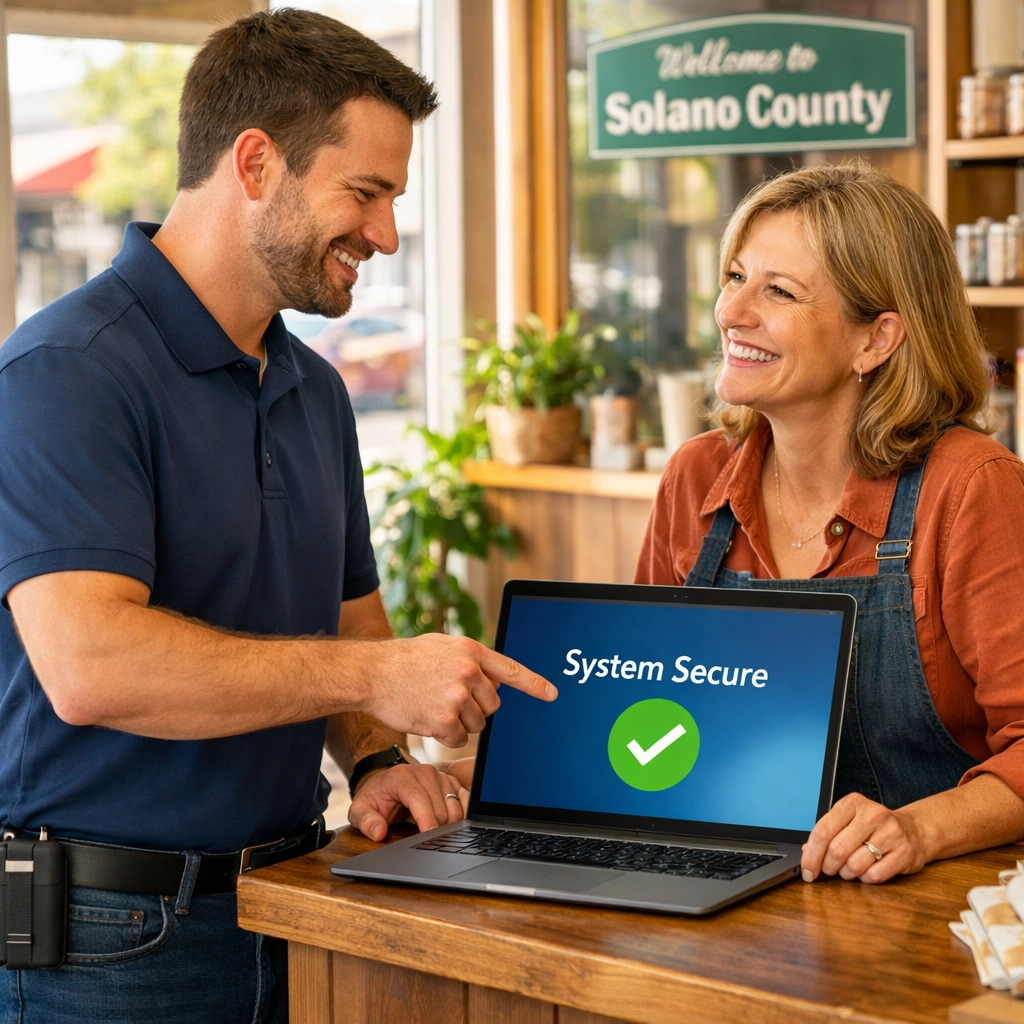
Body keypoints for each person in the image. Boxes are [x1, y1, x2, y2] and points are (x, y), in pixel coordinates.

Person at [0, 10, 555, 1023]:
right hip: (102, 945)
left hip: (294, 906)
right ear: (255, 163)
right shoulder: (66, 372)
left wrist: (376, 757)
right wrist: (381, 680)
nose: (385, 233)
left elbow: (345, 628)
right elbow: (91, 665)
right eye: (366, 191)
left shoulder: (313, 390)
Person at [636, 163, 1024, 887]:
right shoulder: (694, 478)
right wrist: (470, 782)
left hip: (923, 911)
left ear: (875, 341)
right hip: (725, 893)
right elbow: (643, 713)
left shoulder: (971, 487)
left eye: (778, 291)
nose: (731, 312)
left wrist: (917, 827)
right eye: (735, 277)